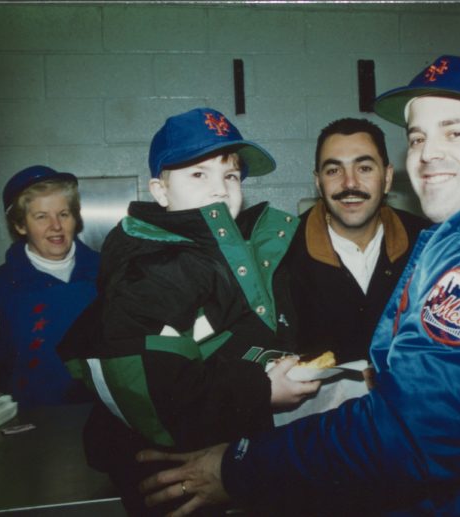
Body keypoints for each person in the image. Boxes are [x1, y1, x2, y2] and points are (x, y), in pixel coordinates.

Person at [137, 56, 460, 516]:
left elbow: (415, 437)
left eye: (454, 132)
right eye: (417, 138)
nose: (429, 153)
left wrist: (240, 466)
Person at [57, 107, 319, 516]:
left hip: (230, 455)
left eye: (230, 176)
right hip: (167, 473)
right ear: (161, 192)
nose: (220, 189)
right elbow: (153, 390)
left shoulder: (242, 253)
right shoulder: (150, 266)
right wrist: (263, 390)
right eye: (198, 174)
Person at [289, 118, 428, 363]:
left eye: (364, 168)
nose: (350, 183)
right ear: (318, 183)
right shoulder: (283, 251)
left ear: (387, 178)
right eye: (333, 170)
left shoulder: (429, 243)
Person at [0, 165, 99, 407]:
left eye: (64, 214)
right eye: (41, 217)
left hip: (103, 416)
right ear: (20, 226)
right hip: (33, 422)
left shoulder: (109, 273)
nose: (56, 226)